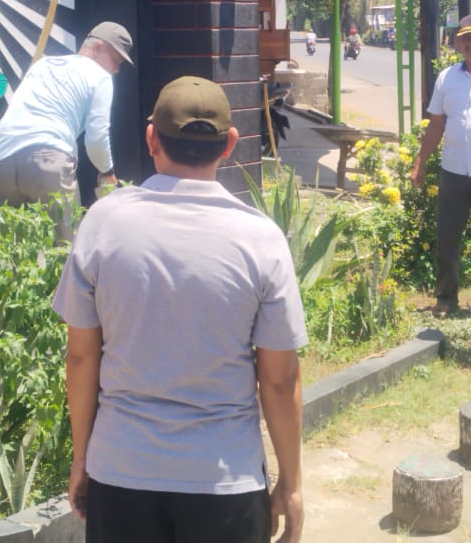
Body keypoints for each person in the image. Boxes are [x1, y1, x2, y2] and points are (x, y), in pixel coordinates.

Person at [53, 77, 307, 543]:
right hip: (225, 480)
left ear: (152, 139)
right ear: (230, 143)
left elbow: (81, 356)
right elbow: (278, 379)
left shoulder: (103, 223)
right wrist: (290, 484)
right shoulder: (260, 238)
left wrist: (81, 459)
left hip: (121, 470)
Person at [0, 22, 133, 236]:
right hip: (47, 157)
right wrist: (107, 172)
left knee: (14, 247)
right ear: (98, 47)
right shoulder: (100, 76)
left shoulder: (44, 64)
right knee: (66, 247)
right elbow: (96, 138)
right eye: (116, 60)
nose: (116, 70)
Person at [411, 14, 471, 316]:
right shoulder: (447, 78)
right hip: (453, 169)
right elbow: (436, 123)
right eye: (465, 38)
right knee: (447, 236)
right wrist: (421, 162)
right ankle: (446, 298)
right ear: (457, 43)